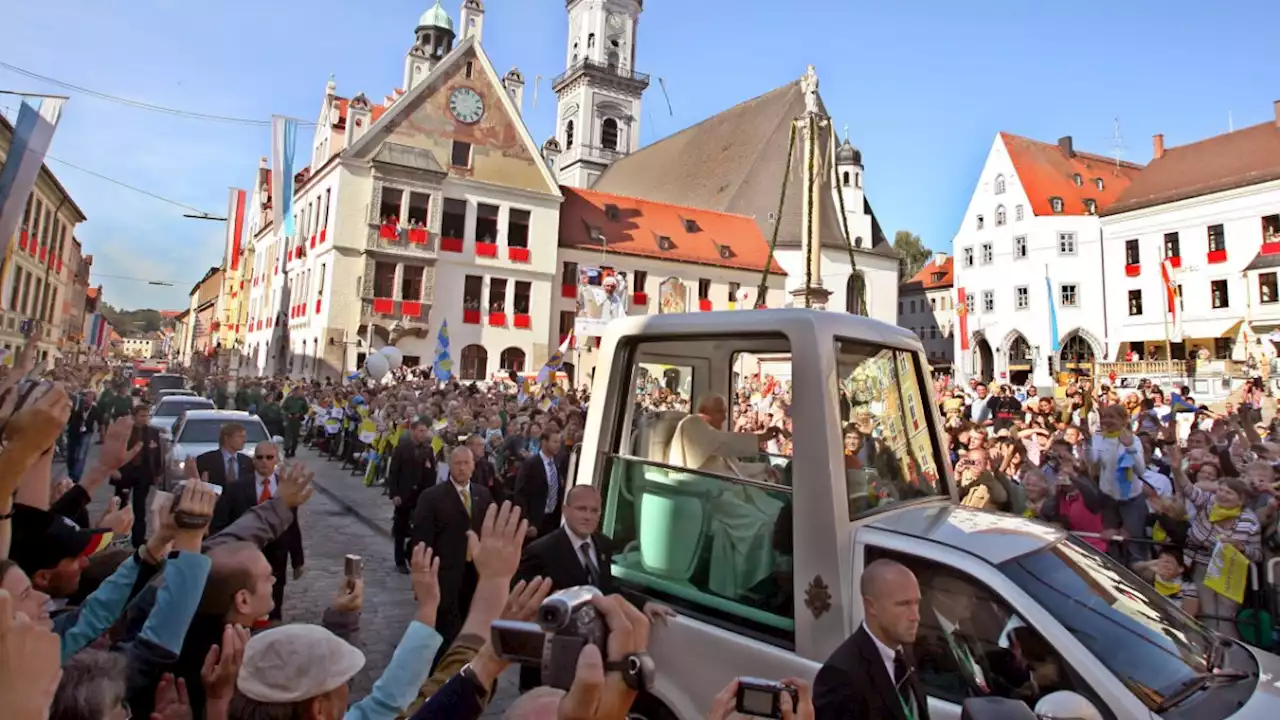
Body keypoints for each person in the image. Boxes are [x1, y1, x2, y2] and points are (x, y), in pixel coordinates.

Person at [514, 485, 675, 691]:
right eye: (581, 509)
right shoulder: (541, 551)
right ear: (565, 510)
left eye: (594, 510)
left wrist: (644, 604)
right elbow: (524, 605)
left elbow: (607, 588)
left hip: (594, 659)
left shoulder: (603, 545)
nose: (588, 516)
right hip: (552, 665)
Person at [814, 559, 929, 720]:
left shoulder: (904, 654)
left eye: (917, 603)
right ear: (871, 606)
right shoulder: (841, 675)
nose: (915, 616)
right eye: (904, 604)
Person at [411, 446, 494, 665]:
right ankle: (438, 672)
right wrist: (421, 578)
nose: (462, 468)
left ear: (473, 465)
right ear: (450, 466)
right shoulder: (432, 497)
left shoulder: (482, 495)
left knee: (470, 625)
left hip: (474, 574)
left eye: (466, 463)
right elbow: (422, 539)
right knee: (444, 630)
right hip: (444, 575)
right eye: (457, 463)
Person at [211, 441, 303, 621]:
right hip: (244, 556)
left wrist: (297, 560)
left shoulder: (284, 488)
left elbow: (293, 525)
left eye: (269, 458)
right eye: (260, 457)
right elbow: (221, 523)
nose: (264, 462)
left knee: (274, 603)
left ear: (276, 460)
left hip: (277, 556)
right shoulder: (237, 487)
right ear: (254, 460)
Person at [667, 394, 785, 480]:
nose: (724, 418)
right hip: (709, 490)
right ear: (703, 411)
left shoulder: (711, 434)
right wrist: (762, 437)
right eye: (719, 412)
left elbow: (737, 467)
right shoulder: (692, 423)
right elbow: (726, 442)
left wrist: (763, 468)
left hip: (727, 487)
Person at [111, 403, 165, 546]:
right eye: (141, 416)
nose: (145, 418)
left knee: (140, 508)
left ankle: (138, 539)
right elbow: (113, 451)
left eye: (147, 415)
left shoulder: (153, 432)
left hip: (144, 474)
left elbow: (157, 454)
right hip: (124, 473)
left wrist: (158, 472)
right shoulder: (125, 431)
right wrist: (113, 469)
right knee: (122, 505)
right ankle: (119, 537)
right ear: (134, 417)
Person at [390, 420, 436, 573]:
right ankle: (399, 560)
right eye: (421, 431)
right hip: (404, 493)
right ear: (413, 431)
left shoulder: (428, 450)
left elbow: (432, 473)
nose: (424, 434)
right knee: (400, 528)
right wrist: (394, 493)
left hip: (421, 494)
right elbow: (394, 471)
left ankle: (415, 557)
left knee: (421, 528)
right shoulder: (402, 448)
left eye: (425, 431)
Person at [200, 423, 255, 530]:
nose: (244, 440)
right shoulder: (205, 460)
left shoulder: (248, 462)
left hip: (240, 517)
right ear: (227, 438)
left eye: (244, 437)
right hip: (215, 515)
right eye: (240, 436)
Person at [514, 429, 567, 540]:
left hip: (553, 520)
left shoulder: (558, 463)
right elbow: (520, 494)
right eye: (555, 442)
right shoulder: (531, 464)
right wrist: (527, 521)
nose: (558, 445)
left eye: (559, 442)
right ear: (544, 442)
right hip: (535, 520)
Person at [282, 385, 309, 458]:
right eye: (298, 391)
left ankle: (293, 450)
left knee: (295, 436)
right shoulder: (288, 399)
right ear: (294, 391)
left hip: (297, 419)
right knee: (287, 434)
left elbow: (306, 409)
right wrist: (287, 414)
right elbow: (283, 408)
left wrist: (300, 413)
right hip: (289, 418)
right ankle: (286, 450)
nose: (300, 392)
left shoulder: (302, 400)